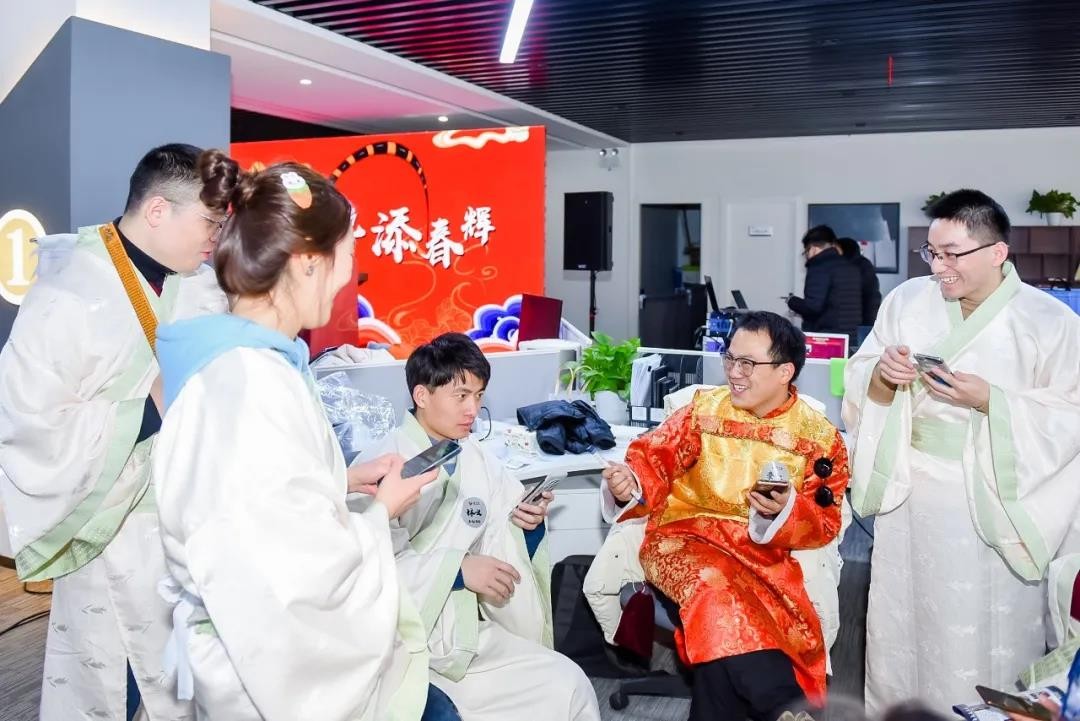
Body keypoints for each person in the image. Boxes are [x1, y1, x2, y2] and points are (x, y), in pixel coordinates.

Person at [152, 154, 441, 720]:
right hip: (260, 668)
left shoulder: (247, 366)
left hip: (240, 646)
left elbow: (262, 505)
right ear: (309, 263)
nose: (348, 279)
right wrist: (381, 512)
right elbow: (298, 576)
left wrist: (340, 480)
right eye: (347, 258)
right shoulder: (250, 384)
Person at [0, 143, 228, 720]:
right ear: (157, 210)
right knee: (112, 685)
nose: (215, 238)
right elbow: (29, 419)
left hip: (190, 530)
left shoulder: (202, 287)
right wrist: (146, 407)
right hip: (110, 526)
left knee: (191, 682)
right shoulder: (69, 289)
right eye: (209, 221)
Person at [842, 189, 1080, 714]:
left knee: (979, 632)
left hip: (992, 499)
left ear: (997, 252)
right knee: (903, 624)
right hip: (910, 489)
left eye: (952, 254)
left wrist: (992, 401)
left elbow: (1070, 412)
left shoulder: (1050, 320)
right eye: (932, 253)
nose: (938, 268)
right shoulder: (906, 300)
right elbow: (860, 373)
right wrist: (882, 376)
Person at [601, 311, 850, 721]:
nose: (734, 372)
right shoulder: (702, 412)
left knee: (722, 636)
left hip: (761, 557)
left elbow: (825, 522)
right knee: (714, 587)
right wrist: (630, 482)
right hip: (684, 540)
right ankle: (784, 706)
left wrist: (785, 512)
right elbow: (653, 458)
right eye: (730, 358)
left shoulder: (819, 439)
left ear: (785, 371)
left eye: (748, 364)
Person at [372, 332, 602, 721]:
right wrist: (457, 570)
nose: (473, 410)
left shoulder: (474, 455)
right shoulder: (384, 462)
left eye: (478, 396)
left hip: (464, 627)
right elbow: (368, 567)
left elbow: (502, 524)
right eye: (461, 396)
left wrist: (525, 523)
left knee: (568, 684)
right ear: (421, 395)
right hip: (407, 641)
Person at [787, 225, 863, 344]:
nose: (806, 256)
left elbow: (813, 307)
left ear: (813, 249)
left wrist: (792, 301)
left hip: (826, 338)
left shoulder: (819, 266)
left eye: (806, 252)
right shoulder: (850, 266)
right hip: (851, 336)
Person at [836, 236, 882, 327]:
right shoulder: (861, 264)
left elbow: (871, 298)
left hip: (860, 321)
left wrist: (867, 325)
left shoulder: (861, 267)